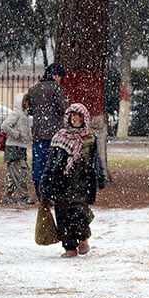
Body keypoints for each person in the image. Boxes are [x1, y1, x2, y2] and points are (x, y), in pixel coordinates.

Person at [40, 103, 106, 258]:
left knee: (79, 213)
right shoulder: (59, 138)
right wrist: (45, 181)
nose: (76, 119)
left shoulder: (89, 139)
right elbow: (51, 162)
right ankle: (69, 246)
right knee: (62, 215)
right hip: (62, 183)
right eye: (73, 116)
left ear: (85, 119)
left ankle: (83, 239)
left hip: (82, 183)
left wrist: (99, 178)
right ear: (68, 118)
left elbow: (96, 161)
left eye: (79, 116)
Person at [26, 63, 68, 199]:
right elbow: (63, 109)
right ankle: (51, 193)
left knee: (39, 164)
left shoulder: (33, 90)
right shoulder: (57, 88)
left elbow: (31, 110)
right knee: (54, 165)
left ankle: (40, 193)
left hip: (38, 132)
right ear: (56, 75)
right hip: (55, 135)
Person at [0, 94, 34, 205]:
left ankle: (7, 195)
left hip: (20, 148)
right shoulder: (16, 114)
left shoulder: (25, 116)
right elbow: (4, 125)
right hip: (13, 147)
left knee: (13, 174)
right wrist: (16, 134)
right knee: (20, 172)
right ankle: (24, 196)